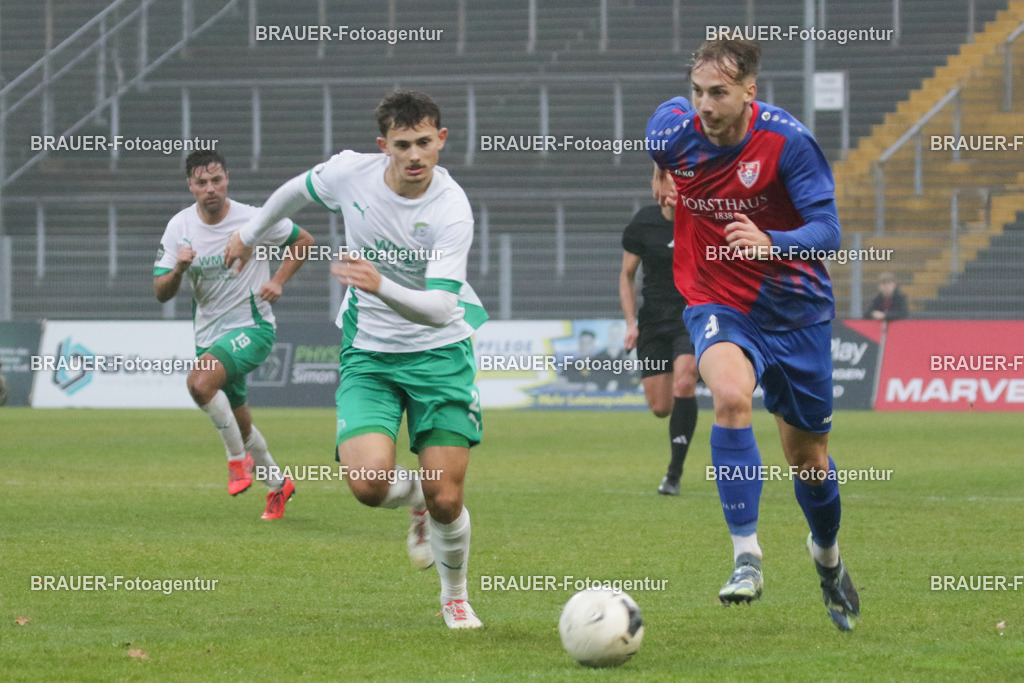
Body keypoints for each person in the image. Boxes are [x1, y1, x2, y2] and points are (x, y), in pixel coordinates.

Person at [224, 91, 488, 629]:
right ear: (383, 146)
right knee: (368, 484)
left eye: (424, 143)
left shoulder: (451, 209)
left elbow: (441, 308)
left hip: (439, 356)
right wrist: (249, 235)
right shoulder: (350, 174)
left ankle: (454, 595)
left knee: (448, 497)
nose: (414, 156)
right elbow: (295, 192)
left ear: (441, 140)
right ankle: (413, 497)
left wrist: (379, 283)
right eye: (402, 145)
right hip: (369, 353)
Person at [646, 39, 860, 630]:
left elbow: (829, 231)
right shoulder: (671, 131)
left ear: (749, 93)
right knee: (732, 398)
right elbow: (661, 147)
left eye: (719, 93)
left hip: (797, 311)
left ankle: (827, 558)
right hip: (717, 299)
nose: (705, 106)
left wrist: (773, 243)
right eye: (698, 92)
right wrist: (662, 176)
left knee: (809, 461)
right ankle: (747, 556)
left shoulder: (788, 143)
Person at [154, 150, 314, 519]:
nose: (210, 189)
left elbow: (304, 241)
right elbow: (161, 291)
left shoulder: (254, 219)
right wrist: (179, 268)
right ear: (190, 185)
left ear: (227, 179)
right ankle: (277, 484)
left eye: (217, 180)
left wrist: (277, 280)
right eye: (201, 182)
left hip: (252, 327)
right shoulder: (179, 227)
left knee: (199, 383)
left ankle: (237, 463)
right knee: (240, 425)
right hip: (209, 335)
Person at [619, 200, 699, 496]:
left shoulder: (700, 217)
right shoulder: (643, 223)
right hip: (653, 321)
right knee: (661, 408)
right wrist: (631, 323)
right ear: (658, 187)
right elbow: (627, 275)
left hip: (690, 318)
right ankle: (692, 375)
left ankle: (673, 475)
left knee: (684, 380)